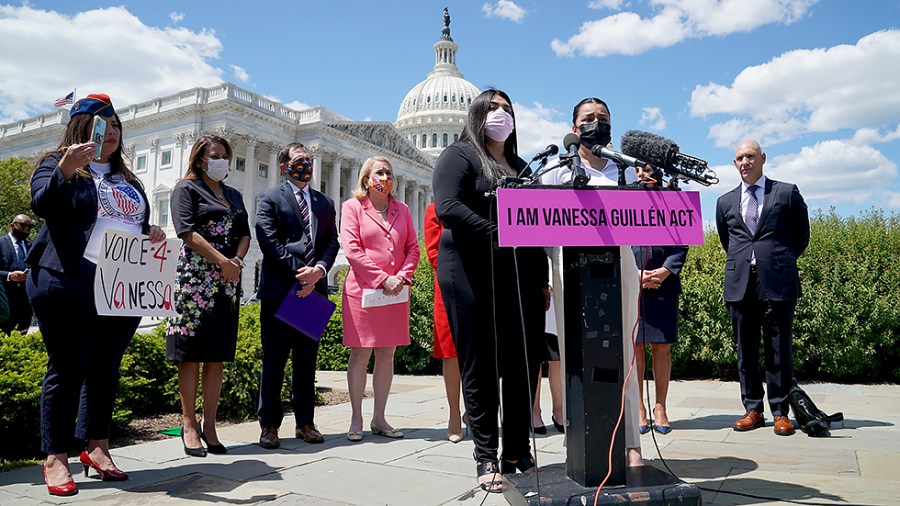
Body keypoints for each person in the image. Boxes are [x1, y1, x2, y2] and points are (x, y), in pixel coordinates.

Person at [26, 94, 166, 495]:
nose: (112, 133)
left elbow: (134, 223)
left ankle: (97, 447)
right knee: (68, 368)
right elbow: (44, 205)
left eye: (117, 126)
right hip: (67, 280)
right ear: (82, 130)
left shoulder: (129, 179)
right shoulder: (56, 164)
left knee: (105, 368)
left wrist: (151, 233)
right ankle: (55, 457)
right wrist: (68, 169)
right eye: (102, 126)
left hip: (119, 286)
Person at [433, 88, 548, 493]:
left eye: (507, 109)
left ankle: (517, 450)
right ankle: (486, 455)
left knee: (521, 362)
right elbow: (448, 207)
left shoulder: (521, 165)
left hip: (517, 275)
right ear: (478, 114)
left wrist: (541, 277)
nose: (501, 114)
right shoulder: (459, 155)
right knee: (480, 364)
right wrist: (495, 233)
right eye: (493, 108)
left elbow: (536, 224)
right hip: (469, 270)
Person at [540, 97, 643, 467]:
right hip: (571, 273)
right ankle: (578, 441)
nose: (596, 123)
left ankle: (631, 442)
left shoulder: (625, 171)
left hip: (620, 269)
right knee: (573, 360)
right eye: (588, 118)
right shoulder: (556, 170)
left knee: (624, 356)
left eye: (602, 118)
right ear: (573, 127)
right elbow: (536, 224)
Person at [715, 139, 809, 436]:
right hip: (741, 281)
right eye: (740, 157)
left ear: (763, 158)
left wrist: (776, 259)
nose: (745, 162)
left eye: (750, 156)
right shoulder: (725, 201)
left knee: (779, 349)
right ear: (735, 163)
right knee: (746, 350)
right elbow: (727, 240)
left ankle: (780, 411)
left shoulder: (785, 192)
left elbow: (801, 235)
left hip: (778, 280)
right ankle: (752, 409)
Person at [165, 134, 251, 457]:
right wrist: (221, 261)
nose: (222, 161)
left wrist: (238, 262)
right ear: (200, 159)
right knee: (190, 354)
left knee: (217, 355)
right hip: (195, 282)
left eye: (225, 156)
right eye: (215, 155)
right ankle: (189, 424)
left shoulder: (234, 194)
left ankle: (210, 424)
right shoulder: (185, 189)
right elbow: (186, 232)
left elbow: (244, 233)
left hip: (228, 283)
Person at [255, 143, 339, 449]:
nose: (306, 165)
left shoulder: (324, 202)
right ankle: (269, 426)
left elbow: (332, 241)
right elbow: (268, 239)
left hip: (311, 291)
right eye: (299, 160)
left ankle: (305, 422)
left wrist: (318, 270)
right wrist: (299, 272)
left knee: (306, 362)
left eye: (308, 160)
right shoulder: (269, 198)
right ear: (284, 166)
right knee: (274, 361)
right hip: (281, 290)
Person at [341, 157, 419, 442]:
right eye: (379, 172)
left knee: (387, 354)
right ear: (366, 179)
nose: (385, 176)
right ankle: (356, 418)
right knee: (360, 354)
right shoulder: (352, 208)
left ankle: (380, 417)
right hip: (363, 292)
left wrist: (401, 276)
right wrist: (382, 278)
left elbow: (413, 248)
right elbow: (352, 249)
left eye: (389, 172)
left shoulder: (404, 209)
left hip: (396, 293)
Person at [424, 202, 465, 443]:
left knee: (480, 350)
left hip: (478, 284)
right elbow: (433, 252)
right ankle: (453, 414)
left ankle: (473, 411)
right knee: (451, 351)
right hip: (449, 285)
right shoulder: (436, 209)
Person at [0, 214, 35, 335]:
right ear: (12, 225)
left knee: (22, 334)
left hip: (25, 299)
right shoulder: (1, 243)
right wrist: (9, 275)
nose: (26, 229)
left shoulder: (31, 246)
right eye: (22, 225)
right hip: (5, 299)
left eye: (29, 227)